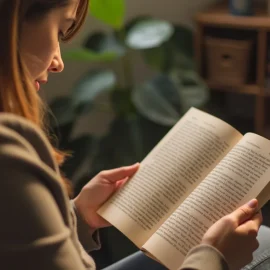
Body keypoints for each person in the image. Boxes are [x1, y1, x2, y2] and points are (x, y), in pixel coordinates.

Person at [0, 0, 263, 269]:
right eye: (59, 31)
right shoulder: (7, 150)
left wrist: (78, 215)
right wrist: (215, 258)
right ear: (11, 24)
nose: (58, 63)